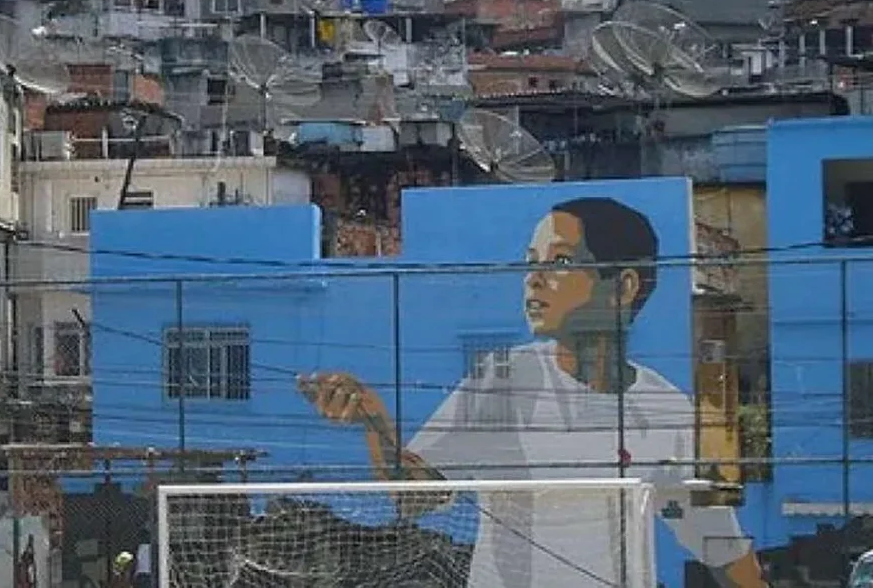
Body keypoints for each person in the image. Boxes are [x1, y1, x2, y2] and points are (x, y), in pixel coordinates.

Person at [300, 197, 768, 588]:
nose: (534, 278)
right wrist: (375, 422)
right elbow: (416, 498)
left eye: (560, 262)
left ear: (623, 285)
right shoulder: (503, 378)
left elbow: (712, 535)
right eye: (530, 263)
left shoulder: (664, 407)